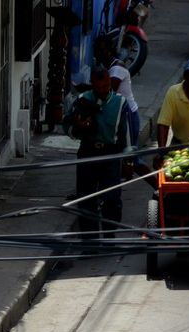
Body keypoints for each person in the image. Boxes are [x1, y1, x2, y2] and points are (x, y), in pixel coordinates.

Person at [63, 65, 132, 237]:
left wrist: (129, 159)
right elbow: (67, 126)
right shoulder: (82, 100)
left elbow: (125, 133)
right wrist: (78, 128)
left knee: (112, 198)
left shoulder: (120, 103)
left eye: (105, 86)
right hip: (88, 152)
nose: (101, 90)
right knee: (86, 198)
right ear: (92, 84)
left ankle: (109, 235)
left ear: (110, 83)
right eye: (98, 87)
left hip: (111, 154)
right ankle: (90, 241)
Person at [94, 38, 155, 187]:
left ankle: (158, 185)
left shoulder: (116, 69)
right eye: (98, 50)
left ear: (109, 51)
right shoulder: (109, 68)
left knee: (131, 157)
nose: (100, 54)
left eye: (102, 50)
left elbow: (108, 93)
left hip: (127, 115)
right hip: (122, 114)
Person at [155, 57, 189, 167]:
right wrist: (161, 151)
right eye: (187, 78)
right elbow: (163, 124)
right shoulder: (173, 92)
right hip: (179, 145)